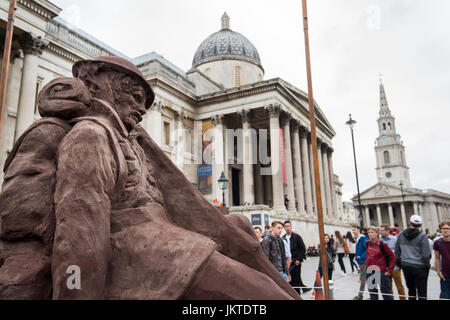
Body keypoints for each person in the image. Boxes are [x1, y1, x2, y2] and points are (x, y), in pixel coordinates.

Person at [0, 56, 299, 300]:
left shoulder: (128, 139)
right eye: (135, 96)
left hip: (167, 239)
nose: (143, 109)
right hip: (149, 251)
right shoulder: (91, 135)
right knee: (262, 296)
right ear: (108, 90)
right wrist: (75, 292)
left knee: (242, 232)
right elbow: (78, 237)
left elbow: (177, 198)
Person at [395, 215, 431, 300]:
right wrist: (426, 266)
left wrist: (401, 263)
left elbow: (397, 251)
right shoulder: (422, 236)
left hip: (406, 266)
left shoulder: (401, 234)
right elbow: (426, 255)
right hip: (419, 267)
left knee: (411, 290)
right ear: (420, 225)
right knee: (422, 292)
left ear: (409, 223)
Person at [365, 226, 396, 300]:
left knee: (386, 292)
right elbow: (368, 256)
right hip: (370, 270)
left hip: (381, 270)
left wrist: (389, 270)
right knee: (372, 292)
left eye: (372, 232)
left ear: (376, 234)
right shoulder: (367, 243)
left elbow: (393, 257)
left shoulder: (383, 244)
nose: (370, 234)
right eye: (369, 232)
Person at [282, 221, 310, 294]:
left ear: (291, 227)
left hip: (296, 261)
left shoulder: (296, 236)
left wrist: (299, 259)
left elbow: (303, 249)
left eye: (288, 226)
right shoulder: (283, 238)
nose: (287, 228)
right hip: (287, 262)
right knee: (289, 279)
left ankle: (298, 295)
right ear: (284, 228)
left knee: (296, 279)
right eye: (286, 226)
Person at [379, 225, 406, 300]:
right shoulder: (379, 240)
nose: (380, 232)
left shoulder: (395, 239)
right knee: (389, 287)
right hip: (385, 267)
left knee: (399, 286)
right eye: (380, 230)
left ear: (387, 231)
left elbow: (400, 251)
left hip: (395, 267)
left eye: (382, 230)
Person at [434, 220, 450, 299]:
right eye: (443, 228)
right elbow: (437, 258)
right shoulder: (438, 242)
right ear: (440, 230)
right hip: (445, 276)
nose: (445, 230)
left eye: (447, 228)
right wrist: (438, 271)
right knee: (445, 297)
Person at [352, 225, 369, 300]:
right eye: (352, 230)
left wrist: (361, 256)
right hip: (361, 261)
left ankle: (360, 295)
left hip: (364, 261)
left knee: (363, 278)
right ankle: (363, 295)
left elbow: (367, 248)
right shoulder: (359, 238)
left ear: (358, 229)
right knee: (364, 278)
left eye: (354, 230)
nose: (353, 232)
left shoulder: (362, 238)